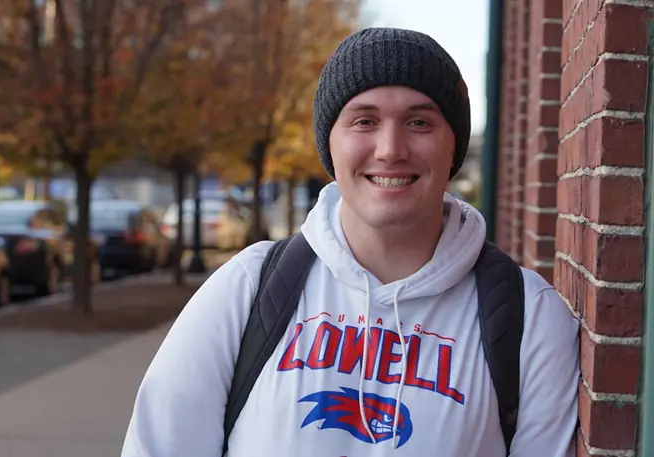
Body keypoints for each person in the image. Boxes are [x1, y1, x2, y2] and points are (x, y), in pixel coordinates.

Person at [121, 27, 579, 456]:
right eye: (364, 121)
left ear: (452, 147)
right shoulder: (247, 290)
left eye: (419, 122)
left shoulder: (531, 319)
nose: (390, 148)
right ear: (330, 145)